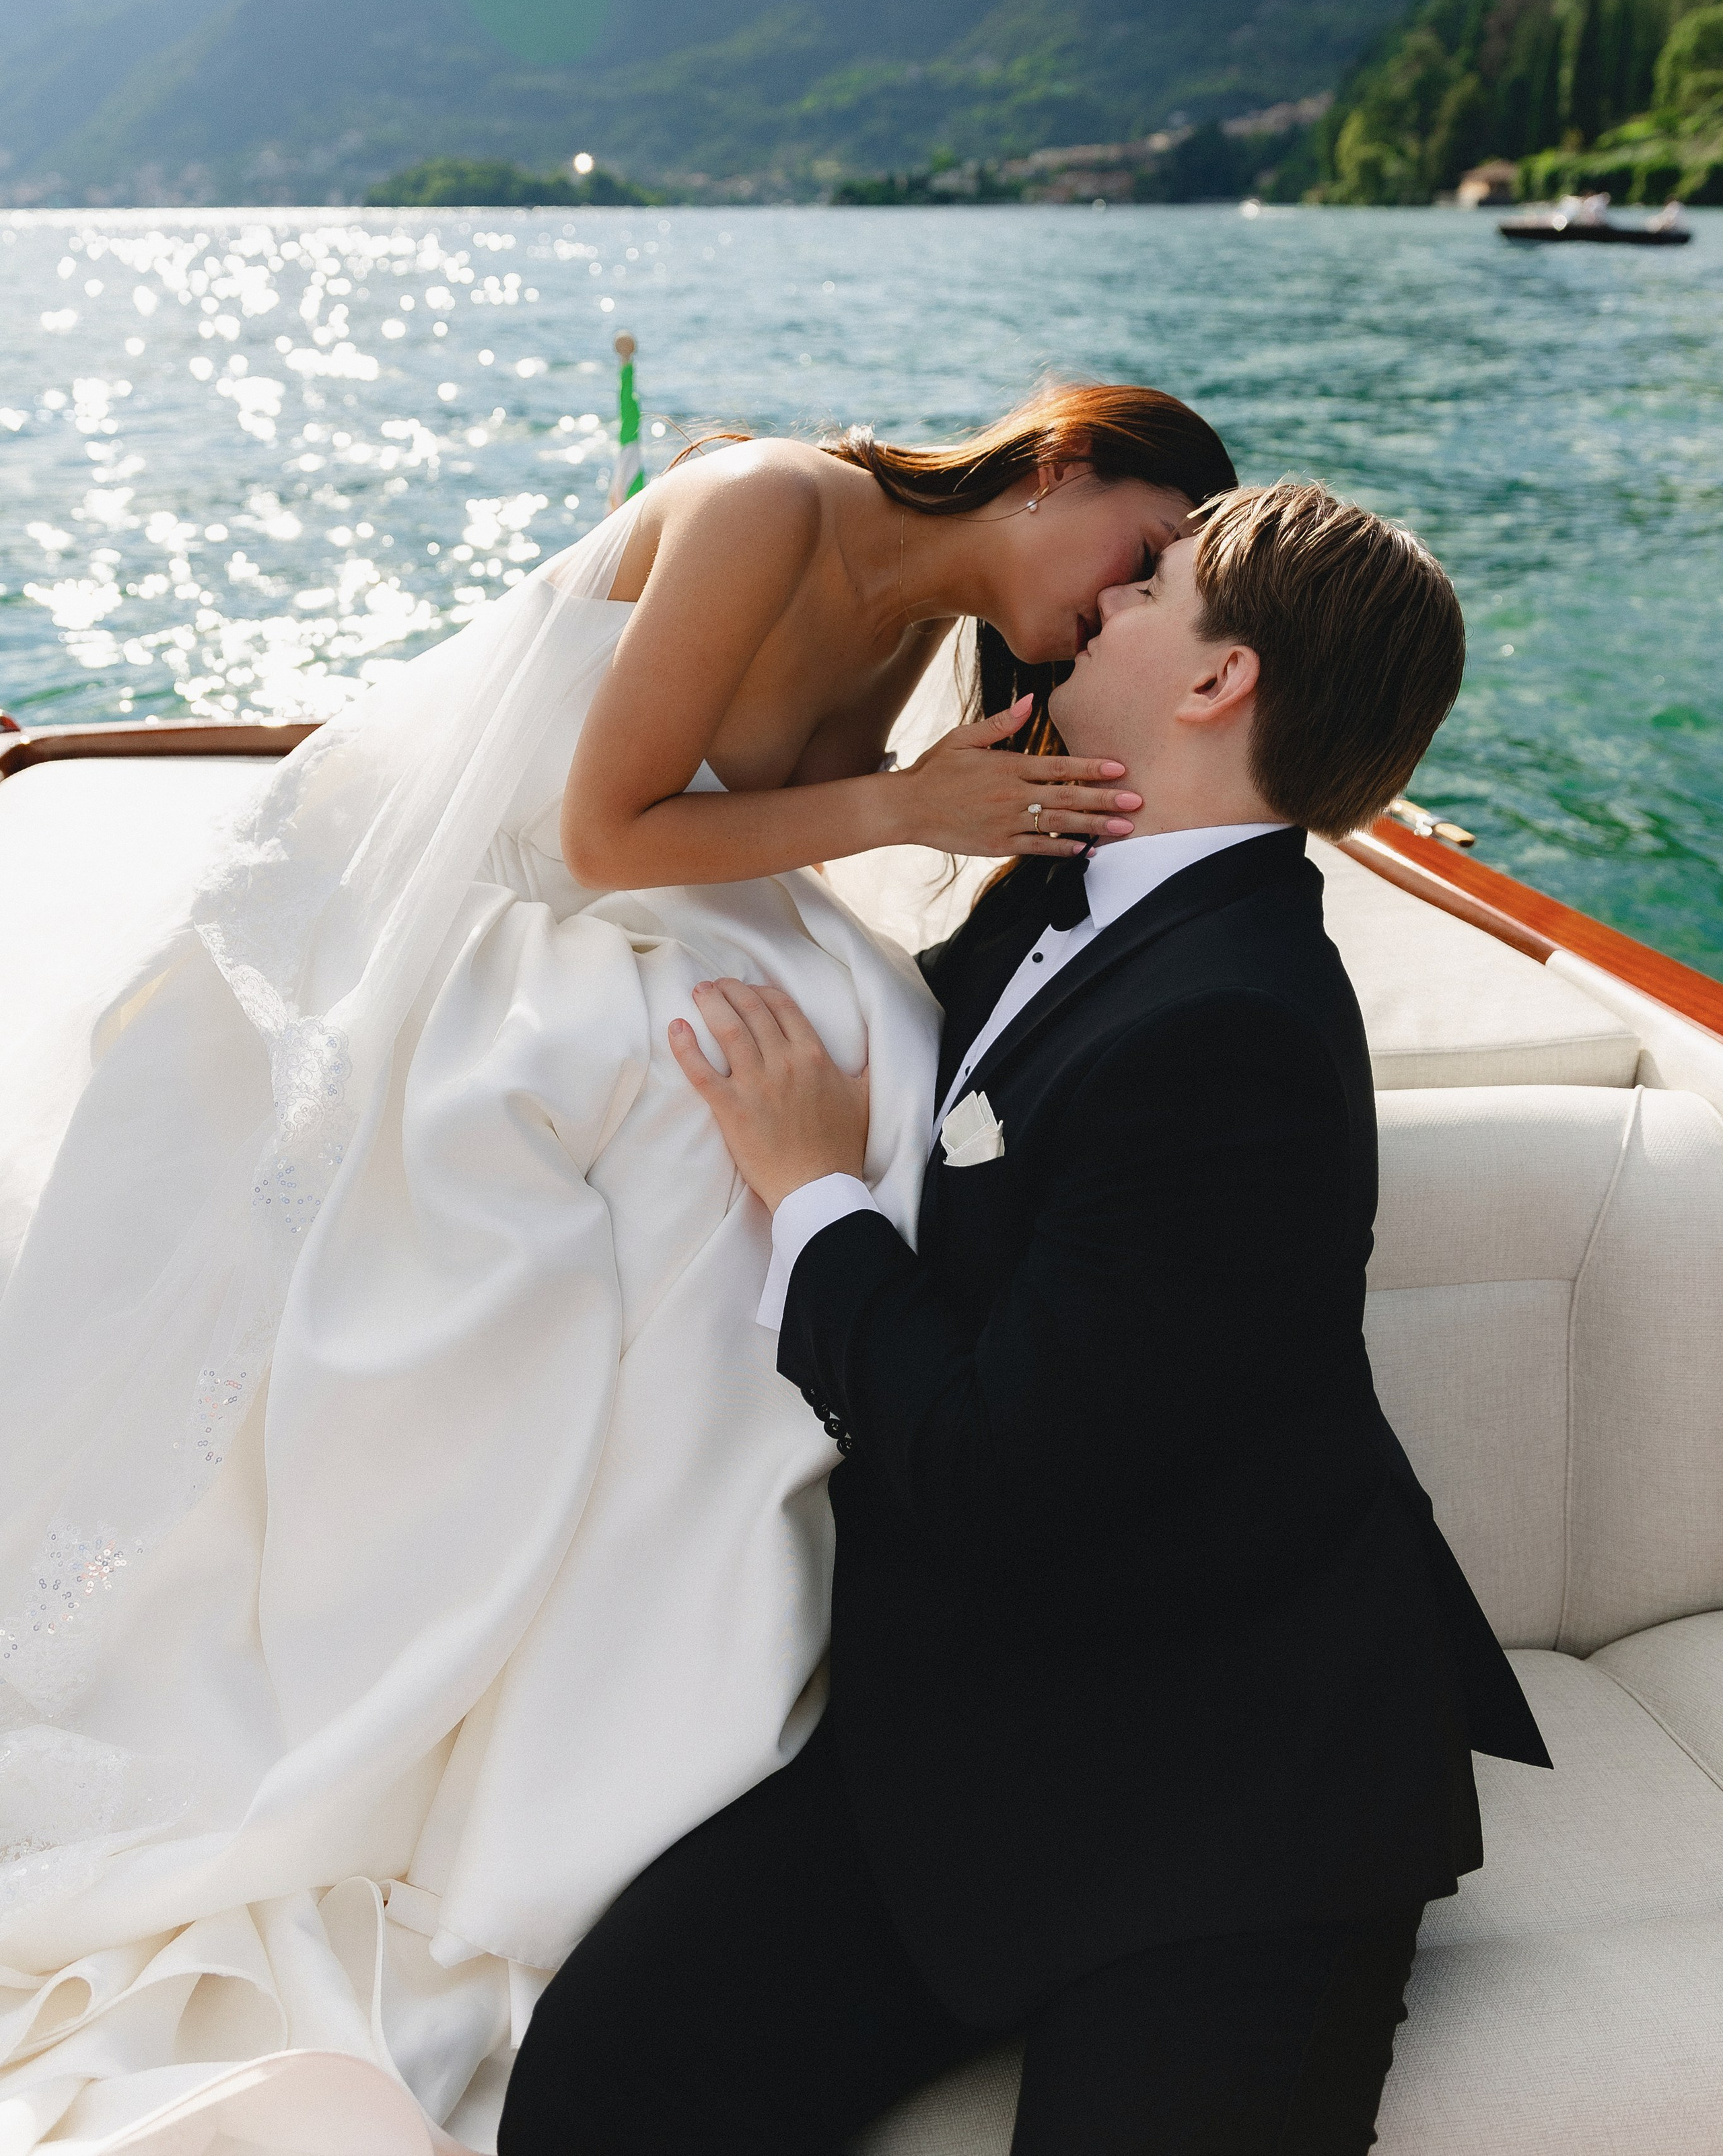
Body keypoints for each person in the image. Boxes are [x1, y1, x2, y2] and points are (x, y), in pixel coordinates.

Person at [0, 388, 1233, 2153]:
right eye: (1148, 550)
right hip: (528, 919)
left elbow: (768, 829)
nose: (1124, 602)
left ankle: (716, 1663)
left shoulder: (910, 621)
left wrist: (925, 820)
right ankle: (562, 1701)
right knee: (695, 1119)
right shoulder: (768, 505)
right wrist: (907, 807)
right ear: (1061, 463)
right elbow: (598, 835)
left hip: (662, 907)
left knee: (875, 1051)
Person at [500, 482, 1552, 2156]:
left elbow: (994, 1468)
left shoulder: (1235, 1033)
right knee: (597, 2091)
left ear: (1214, 681)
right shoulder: (1056, 902)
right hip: (959, 1737)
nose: (1107, 601)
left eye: (1154, 588)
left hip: (1231, 1785)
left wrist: (809, 1192)